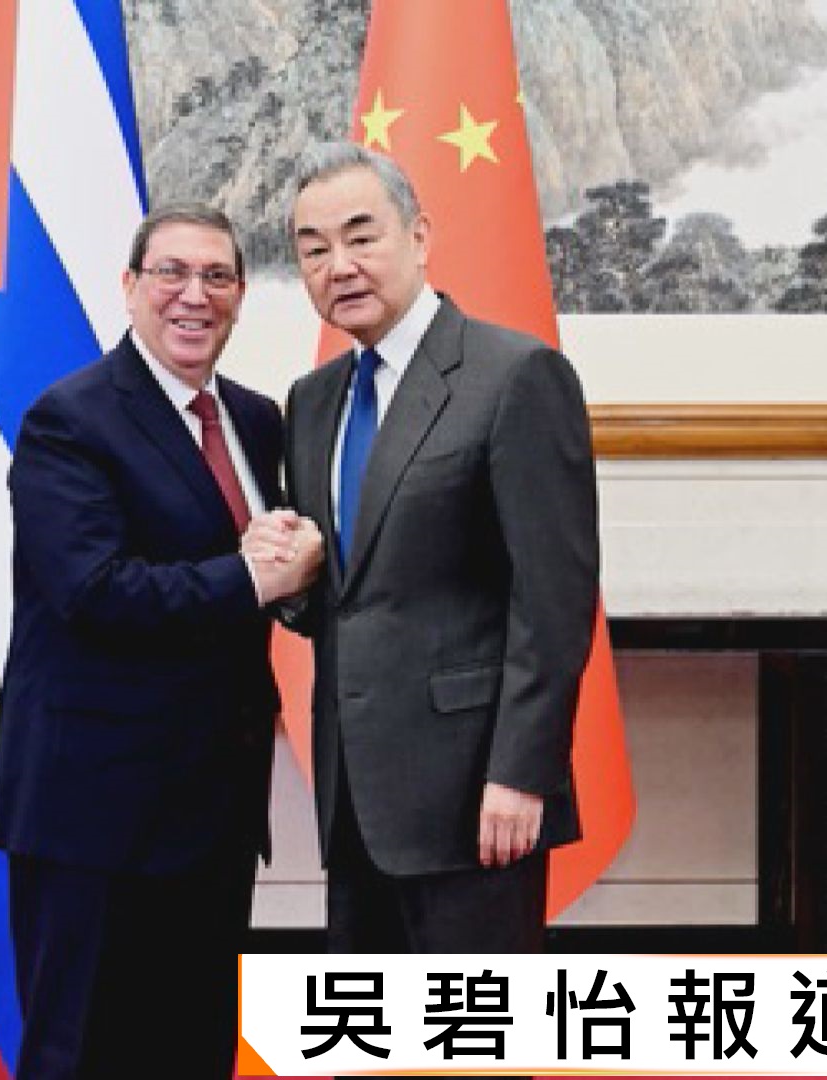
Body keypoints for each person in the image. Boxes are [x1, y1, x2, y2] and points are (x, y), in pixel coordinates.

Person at [0, 204, 324, 1080]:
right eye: (171, 272)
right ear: (130, 287)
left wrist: (297, 579)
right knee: (83, 1051)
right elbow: (93, 592)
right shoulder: (70, 419)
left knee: (192, 1047)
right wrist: (254, 579)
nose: (193, 295)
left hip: (211, 807)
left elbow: (272, 569)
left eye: (217, 276)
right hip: (92, 809)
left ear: (241, 295)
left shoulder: (256, 420)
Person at [251, 142, 599, 956]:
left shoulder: (515, 375)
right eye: (313, 249)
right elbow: (343, 596)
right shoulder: (313, 402)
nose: (339, 266)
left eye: (361, 236)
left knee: (470, 1022)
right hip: (354, 797)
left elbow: (552, 600)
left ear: (419, 236)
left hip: (476, 797)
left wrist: (522, 773)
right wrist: (288, 579)